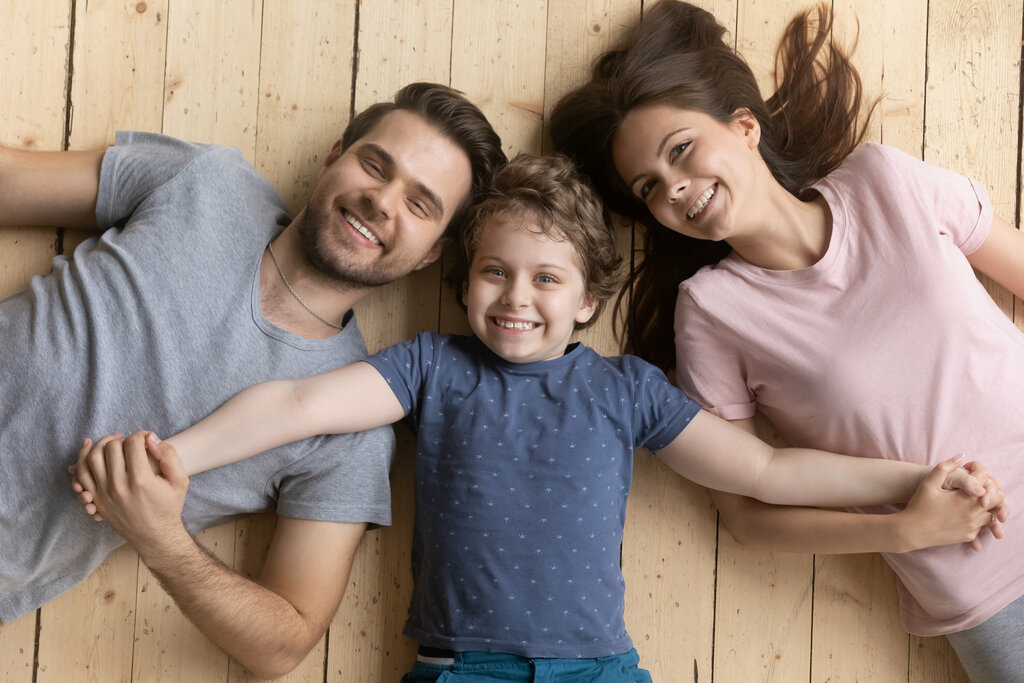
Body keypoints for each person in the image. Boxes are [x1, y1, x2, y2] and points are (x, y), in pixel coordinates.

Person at [74, 154, 1001, 682]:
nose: (517, 298)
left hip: (601, 671)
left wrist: (907, 483)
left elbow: (766, 471)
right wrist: (170, 459)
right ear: (465, 280)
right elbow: (298, 402)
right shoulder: (432, 368)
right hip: (460, 671)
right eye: (493, 273)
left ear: (589, 298)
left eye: (546, 278)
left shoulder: (627, 389)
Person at [548, 1, 1021, 680]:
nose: (676, 188)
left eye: (680, 149)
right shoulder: (711, 313)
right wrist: (902, 531)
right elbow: (746, 512)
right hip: (981, 573)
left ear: (743, 127)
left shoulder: (884, 180)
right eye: (650, 185)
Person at [0, 82, 506, 679]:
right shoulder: (205, 181)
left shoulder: (352, 423)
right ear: (334, 157)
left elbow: (284, 642)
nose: (382, 201)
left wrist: (160, 536)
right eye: (375, 165)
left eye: (420, 204)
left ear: (431, 254)